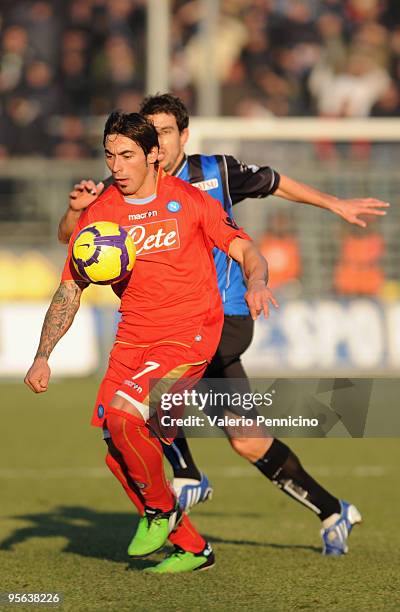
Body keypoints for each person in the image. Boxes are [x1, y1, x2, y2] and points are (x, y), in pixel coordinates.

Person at [58, 94, 388, 555]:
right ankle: (333, 510)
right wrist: (77, 211)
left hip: (223, 316)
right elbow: (77, 243)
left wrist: (332, 204)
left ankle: (188, 475)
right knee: (247, 439)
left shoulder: (214, 171)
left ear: (181, 137)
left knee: (140, 402)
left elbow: (276, 183)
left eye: (166, 132)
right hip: (170, 325)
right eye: (148, 133)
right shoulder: (123, 186)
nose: (157, 142)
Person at [25, 111, 276, 574]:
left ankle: (159, 512)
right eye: (109, 155)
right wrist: (43, 356)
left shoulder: (190, 200)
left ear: (154, 155)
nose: (116, 166)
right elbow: (70, 287)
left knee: (124, 415)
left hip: (190, 333)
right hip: (132, 339)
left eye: (126, 156)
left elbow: (244, 247)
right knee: (116, 449)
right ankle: (193, 548)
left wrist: (257, 280)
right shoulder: (101, 213)